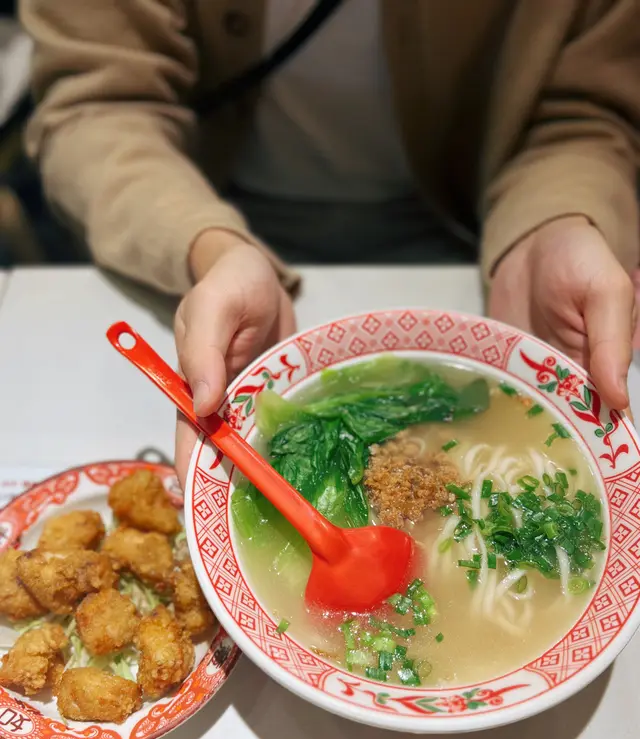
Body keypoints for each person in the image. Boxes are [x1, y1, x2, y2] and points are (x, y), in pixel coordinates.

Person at [21, 0, 640, 485]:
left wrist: (557, 219)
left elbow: (582, 107)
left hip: (469, 231)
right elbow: (97, 102)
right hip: (212, 225)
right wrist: (209, 246)